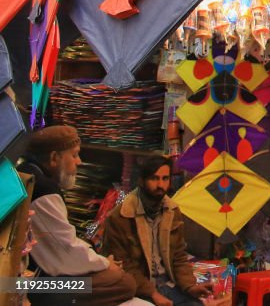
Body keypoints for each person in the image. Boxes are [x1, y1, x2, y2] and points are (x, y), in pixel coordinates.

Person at [16, 125, 140, 306]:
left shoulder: (27, 171)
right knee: (125, 282)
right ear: (54, 158)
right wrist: (105, 263)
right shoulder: (43, 190)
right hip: (37, 284)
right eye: (74, 155)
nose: (79, 162)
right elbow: (66, 251)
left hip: (31, 277)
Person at [103, 157, 211, 306]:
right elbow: (124, 267)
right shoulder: (120, 217)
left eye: (165, 178)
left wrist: (190, 286)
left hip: (169, 284)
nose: (161, 185)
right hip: (139, 288)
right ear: (141, 181)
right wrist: (152, 293)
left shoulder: (172, 211)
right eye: (154, 178)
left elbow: (178, 255)